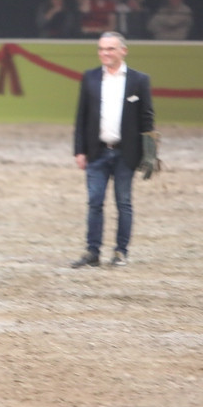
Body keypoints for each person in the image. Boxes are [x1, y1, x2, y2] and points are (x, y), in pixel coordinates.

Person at [71, 32, 157, 269]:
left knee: (124, 203)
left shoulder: (139, 80)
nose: (104, 53)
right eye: (101, 49)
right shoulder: (89, 78)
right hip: (96, 152)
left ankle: (120, 252)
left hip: (125, 154)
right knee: (95, 203)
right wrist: (79, 150)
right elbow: (82, 117)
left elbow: (147, 118)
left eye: (110, 49)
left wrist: (149, 152)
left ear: (123, 51)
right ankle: (92, 252)